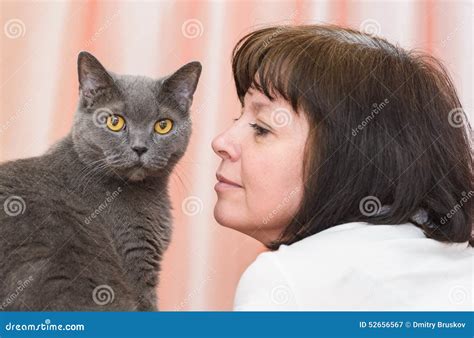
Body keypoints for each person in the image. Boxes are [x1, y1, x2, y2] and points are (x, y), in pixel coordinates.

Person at [211, 24, 473, 310]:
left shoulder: (289, 281)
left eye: (261, 128)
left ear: (349, 157)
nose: (221, 142)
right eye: (239, 117)